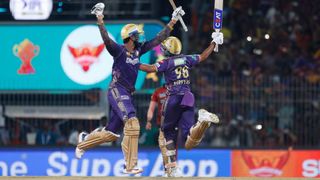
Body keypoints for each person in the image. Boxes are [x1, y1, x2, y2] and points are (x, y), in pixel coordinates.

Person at [75, 2, 185, 175]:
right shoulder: (118, 50)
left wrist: (173, 20)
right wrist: (99, 18)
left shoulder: (138, 50)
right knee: (133, 123)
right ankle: (130, 165)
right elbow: (105, 39)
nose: (139, 38)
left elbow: (158, 38)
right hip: (117, 90)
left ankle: (83, 142)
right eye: (137, 36)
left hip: (126, 93)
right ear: (131, 37)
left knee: (110, 134)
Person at [138, 32, 223, 177]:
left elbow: (150, 68)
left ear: (169, 50)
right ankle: (201, 123)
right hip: (188, 97)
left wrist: (133, 62)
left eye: (164, 48)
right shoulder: (187, 59)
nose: (163, 50)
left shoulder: (167, 63)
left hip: (173, 98)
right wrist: (213, 43)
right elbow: (202, 56)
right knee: (189, 140)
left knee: (167, 132)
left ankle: (172, 168)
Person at [146, 85, 169, 174]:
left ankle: (173, 167)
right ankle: (167, 169)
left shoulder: (176, 89)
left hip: (174, 122)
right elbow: (151, 109)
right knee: (163, 146)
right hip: (162, 125)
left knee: (173, 146)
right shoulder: (158, 91)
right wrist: (149, 121)